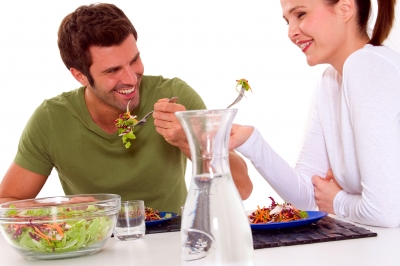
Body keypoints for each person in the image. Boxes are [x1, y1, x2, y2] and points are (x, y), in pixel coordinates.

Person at [0, 3, 252, 213]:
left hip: (171, 240)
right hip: (94, 248)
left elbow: (242, 189)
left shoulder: (176, 98)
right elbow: (5, 203)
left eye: (134, 60)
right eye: (112, 71)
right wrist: (62, 209)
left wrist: (191, 139)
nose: (131, 79)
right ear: (80, 76)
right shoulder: (51, 120)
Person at [229, 0, 400, 227]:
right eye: (287, 21)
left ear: (345, 8)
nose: (291, 32)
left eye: (300, 14)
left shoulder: (367, 67)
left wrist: (337, 201)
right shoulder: (330, 81)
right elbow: (308, 199)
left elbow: (385, 212)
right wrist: (250, 141)